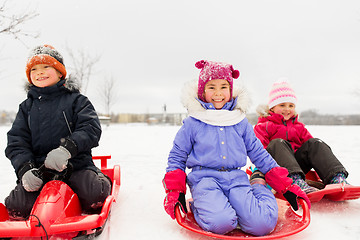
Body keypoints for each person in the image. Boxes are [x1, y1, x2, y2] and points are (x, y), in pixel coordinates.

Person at [162, 60, 310, 236]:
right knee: (221, 223)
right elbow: (177, 157)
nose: (218, 93)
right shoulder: (194, 122)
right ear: (202, 91)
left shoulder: (239, 121)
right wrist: (175, 190)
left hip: (236, 180)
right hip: (205, 180)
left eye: (223, 87)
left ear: (230, 90)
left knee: (262, 225)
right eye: (211, 87)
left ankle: (258, 187)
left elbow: (258, 153)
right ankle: (202, 206)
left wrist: (286, 186)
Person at [4, 45, 111, 219]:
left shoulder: (77, 101)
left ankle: (102, 179)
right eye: (34, 69)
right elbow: (17, 142)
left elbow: (90, 128)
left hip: (75, 166)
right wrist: (25, 170)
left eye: (46, 67)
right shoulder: (26, 108)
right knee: (17, 206)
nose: (40, 72)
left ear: (60, 72)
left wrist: (67, 149)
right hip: (41, 171)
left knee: (94, 195)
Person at [254, 79, 349, 194]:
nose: (287, 109)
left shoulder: (299, 127)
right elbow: (258, 151)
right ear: (272, 108)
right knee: (277, 143)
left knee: (315, 143)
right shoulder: (264, 126)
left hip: (298, 168)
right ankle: (293, 181)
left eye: (291, 105)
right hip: (276, 168)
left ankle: (336, 178)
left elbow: (313, 151)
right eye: (282, 105)